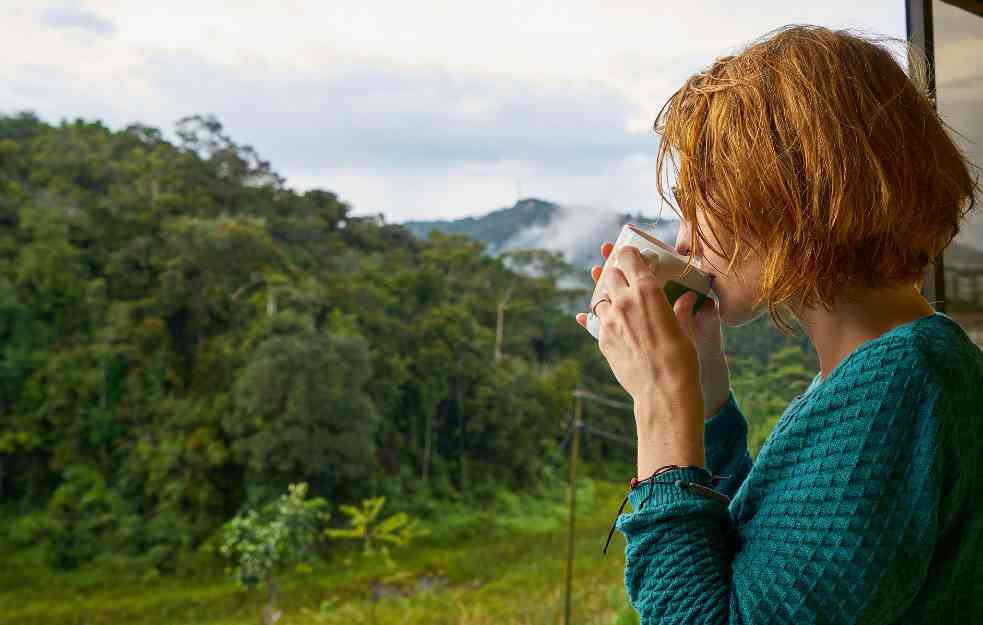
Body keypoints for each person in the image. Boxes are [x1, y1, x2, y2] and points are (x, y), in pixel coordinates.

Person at [574, 24, 982, 624]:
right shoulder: (884, 368)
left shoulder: (900, 383)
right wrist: (706, 393)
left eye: (699, 201)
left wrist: (661, 407)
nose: (684, 239)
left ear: (792, 191)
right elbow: (765, 560)